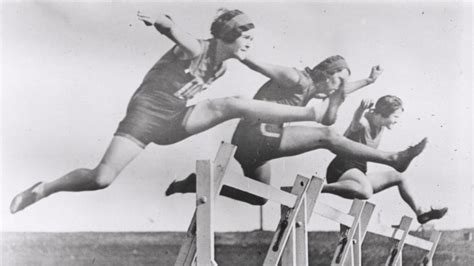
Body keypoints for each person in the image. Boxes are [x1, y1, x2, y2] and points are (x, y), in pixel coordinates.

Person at [10, 9, 333, 214]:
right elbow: (177, 33)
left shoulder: (220, 67)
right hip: (145, 118)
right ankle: (43, 189)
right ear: (228, 37)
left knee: (231, 104)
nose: (249, 44)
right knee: (101, 178)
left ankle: (309, 116)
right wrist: (163, 24)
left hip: (177, 119)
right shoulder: (197, 49)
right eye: (246, 38)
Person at [165, 56, 427, 212]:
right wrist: (236, 53)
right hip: (255, 135)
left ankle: (195, 183)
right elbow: (260, 66)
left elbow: (342, 91)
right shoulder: (297, 79)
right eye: (338, 81)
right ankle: (393, 158)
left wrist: (369, 82)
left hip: (255, 145)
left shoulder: (317, 88)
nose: (340, 89)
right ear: (326, 74)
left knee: (258, 197)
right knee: (327, 135)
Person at [323, 96, 447, 224]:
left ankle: (421, 212)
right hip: (341, 169)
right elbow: (356, 122)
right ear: (382, 114)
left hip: (358, 171)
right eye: (395, 117)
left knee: (399, 177)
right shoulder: (364, 123)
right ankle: (320, 187)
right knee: (366, 191)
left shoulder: (380, 127)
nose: (397, 121)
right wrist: (360, 109)